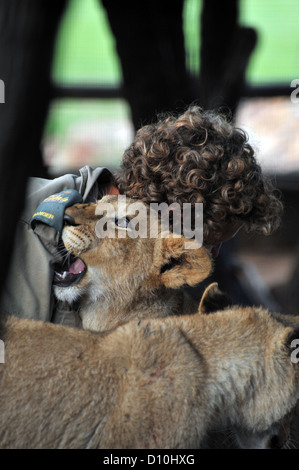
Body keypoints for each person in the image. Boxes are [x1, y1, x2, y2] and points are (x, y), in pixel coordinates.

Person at [0, 106, 283, 325]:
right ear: (177, 218)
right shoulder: (36, 230)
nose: (214, 253)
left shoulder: (135, 251)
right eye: (210, 241)